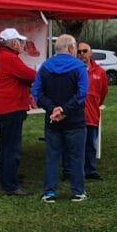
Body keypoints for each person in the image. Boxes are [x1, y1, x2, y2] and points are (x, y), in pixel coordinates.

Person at [33, 34, 89, 203]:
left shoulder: (45, 67)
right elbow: (81, 94)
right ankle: (78, 191)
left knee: (52, 157)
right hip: (75, 121)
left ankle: (49, 192)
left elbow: (36, 93)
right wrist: (64, 109)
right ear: (71, 48)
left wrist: (52, 109)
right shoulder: (79, 67)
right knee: (77, 157)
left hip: (52, 121)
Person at [0, 27, 37, 196]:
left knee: (6, 146)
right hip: (11, 108)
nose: (22, 44)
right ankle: (10, 184)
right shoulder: (10, 59)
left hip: (5, 108)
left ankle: (9, 176)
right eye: (19, 41)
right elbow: (31, 75)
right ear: (12, 43)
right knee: (12, 148)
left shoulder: (2, 57)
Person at [77, 41, 108, 180]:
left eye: (84, 51)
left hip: (92, 114)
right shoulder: (73, 70)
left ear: (90, 53)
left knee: (91, 144)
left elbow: (103, 93)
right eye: (79, 51)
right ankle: (73, 171)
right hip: (76, 115)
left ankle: (90, 170)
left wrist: (94, 104)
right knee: (76, 145)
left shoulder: (100, 72)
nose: (82, 54)